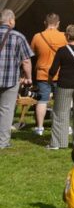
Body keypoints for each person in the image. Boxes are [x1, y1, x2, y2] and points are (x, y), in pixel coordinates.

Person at [30, 12, 67, 136]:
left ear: (45, 23)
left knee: (42, 101)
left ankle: (39, 127)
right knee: (61, 101)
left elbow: (33, 53)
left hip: (42, 73)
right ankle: (63, 126)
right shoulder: (64, 36)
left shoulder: (37, 36)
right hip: (60, 73)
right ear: (58, 23)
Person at [0, 9, 33, 149]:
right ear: (11, 21)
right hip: (10, 79)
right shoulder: (18, 37)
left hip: (9, 79)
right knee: (6, 110)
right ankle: (3, 142)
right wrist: (29, 78)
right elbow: (26, 61)